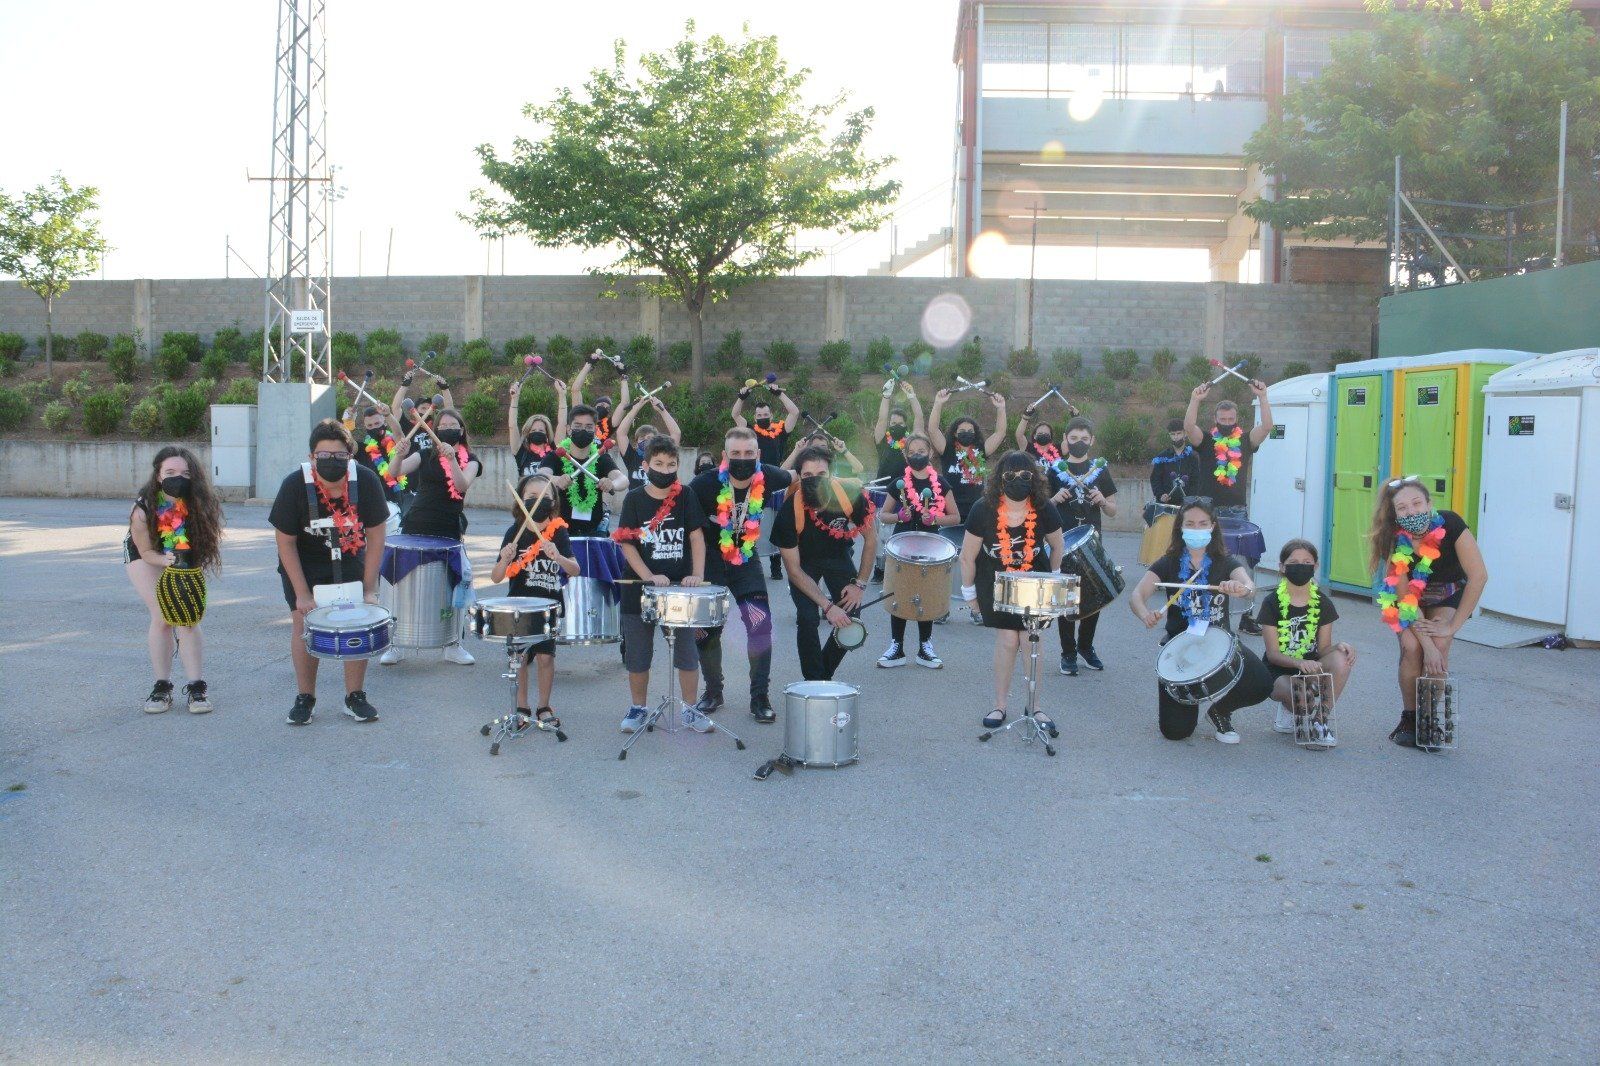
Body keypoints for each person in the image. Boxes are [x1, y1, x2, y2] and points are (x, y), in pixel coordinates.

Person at [269, 420, 391, 725]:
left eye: (339, 456)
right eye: (323, 456)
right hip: (304, 563)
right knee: (304, 625)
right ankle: (305, 697)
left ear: (350, 456)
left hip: (350, 558)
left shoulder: (366, 480)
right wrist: (301, 593)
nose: (331, 461)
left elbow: (377, 536)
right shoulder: (294, 485)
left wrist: (370, 588)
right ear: (312, 457)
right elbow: (285, 542)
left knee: (356, 623)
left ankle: (354, 696)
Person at [1126, 497, 1274, 743]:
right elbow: (1137, 596)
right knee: (1175, 732)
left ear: (1213, 526)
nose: (1197, 529)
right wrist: (1145, 614)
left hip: (1220, 643)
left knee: (1262, 684)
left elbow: (1250, 587)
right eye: (1191, 524)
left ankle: (1220, 711)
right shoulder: (1168, 563)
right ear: (1181, 527)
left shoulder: (1225, 562)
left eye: (1203, 523)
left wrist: (1241, 588)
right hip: (1181, 648)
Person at [1367, 477, 1488, 748]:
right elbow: (1407, 600)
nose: (1411, 512)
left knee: (1441, 642)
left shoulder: (1451, 524)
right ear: (1395, 515)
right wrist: (1427, 648)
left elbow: (1478, 576)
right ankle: (1410, 718)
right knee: (1412, 647)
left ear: (1429, 504)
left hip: (1446, 592)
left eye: (1416, 503)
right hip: (1411, 599)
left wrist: (1452, 627)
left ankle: (1430, 719)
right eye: (1402, 508)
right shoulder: (1394, 540)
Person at [688, 427, 794, 723]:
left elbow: (796, 477)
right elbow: (688, 525)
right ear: (725, 456)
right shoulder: (702, 485)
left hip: (746, 560)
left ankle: (760, 697)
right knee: (706, 631)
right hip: (711, 561)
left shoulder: (770, 475)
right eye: (736, 453)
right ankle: (713, 690)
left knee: (760, 626)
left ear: (758, 455)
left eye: (749, 453)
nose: (743, 459)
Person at [960, 451, 1068, 731]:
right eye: (1010, 475)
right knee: (1008, 640)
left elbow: (1058, 545)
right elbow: (967, 556)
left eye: (1024, 475)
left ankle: (1035, 706)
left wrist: (1055, 578)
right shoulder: (983, 509)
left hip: (1035, 580)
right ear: (1000, 479)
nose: (1017, 480)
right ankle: (1000, 705)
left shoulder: (1044, 507)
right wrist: (969, 594)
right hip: (995, 580)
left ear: (1034, 479)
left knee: (1032, 641)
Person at [612, 437, 708, 733]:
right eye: (658, 464)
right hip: (639, 591)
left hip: (679, 591)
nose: (665, 470)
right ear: (645, 466)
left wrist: (697, 575)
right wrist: (648, 576)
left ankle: (690, 709)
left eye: (671, 464)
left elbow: (696, 537)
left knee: (687, 653)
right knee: (638, 655)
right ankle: (638, 708)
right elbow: (627, 544)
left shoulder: (686, 495)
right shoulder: (634, 499)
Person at [124, 446, 224, 715]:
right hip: (145, 554)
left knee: (187, 616)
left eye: (185, 473)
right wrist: (165, 560)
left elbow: (203, 545)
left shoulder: (200, 503)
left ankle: (196, 687)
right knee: (163, 615)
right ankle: (162, 687)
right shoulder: (142, 510)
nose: (177, 478)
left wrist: (184, 568)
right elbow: (146, 551)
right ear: (158, 475)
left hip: (182, 553)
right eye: (170, 472)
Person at [770, 445, 877, 682]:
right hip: (804, 564)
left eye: (821, 474)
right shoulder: (789, 510)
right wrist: (828, 607)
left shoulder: (849, 495)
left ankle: (822, 678)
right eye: (807, 475)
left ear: (831, 473)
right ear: (799, 477)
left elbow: (871, 540)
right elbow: (793, 570)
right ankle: (812, 681)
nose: (815, 479)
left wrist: (860, 585)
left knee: (851, 617)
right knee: (807, 618)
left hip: (838, 556)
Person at [385, 407, 481, 665]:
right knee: (402, 585)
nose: (447, 429)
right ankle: (395, 644)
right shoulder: (424, 454)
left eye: (452, 426)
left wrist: (452, 461)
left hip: (448, 528)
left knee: (453, 585)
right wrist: (399, 453)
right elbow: (394, 472)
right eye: (442, 426)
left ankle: (453, 644)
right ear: (435, 430)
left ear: (461, 430)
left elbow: (461, 485)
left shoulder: (471, 460)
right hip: (415, 524)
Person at [489, 473, 582, 730]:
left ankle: (543, 706)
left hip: (548, 607)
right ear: (520, 499)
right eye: (531, 496)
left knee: (545, 658)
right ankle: (521, 707)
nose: (538, 501)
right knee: (519, 658)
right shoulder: (514, 532)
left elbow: (575, 570)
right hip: (518, 608)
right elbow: (496, 577)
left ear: (553, 502)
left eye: (544, 496)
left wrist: (558, 557)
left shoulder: (558, 532)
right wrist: (505, 559)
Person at [1184, 380, 1273, 632]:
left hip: (1236, 511)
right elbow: (1188, 427)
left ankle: (1246, 616)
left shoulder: (1244, 440)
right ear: (1215, 419)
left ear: (1236, 419)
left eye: (1230, 419)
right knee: (1202, 560)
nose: (1226, 422)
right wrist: (1195, 399)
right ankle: (1200, 612)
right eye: (1222, 419)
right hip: (1208, 510)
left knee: (1242, 563)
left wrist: (1263, 397)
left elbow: (1267, 427)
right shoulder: (1206, 442)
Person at [1257, 539, 1356, 745]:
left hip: (1311, 669)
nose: (1300, 567)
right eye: (1293, 562)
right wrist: (1298, 662)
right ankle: (1289, 706)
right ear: (1282, 567)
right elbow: (1273, 654)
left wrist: (1338, 647)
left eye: (1306, 562)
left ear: (1315, 566)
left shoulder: (1323, 603)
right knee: (1302, 698)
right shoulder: (1272, 602)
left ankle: (1320, 721)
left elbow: (1323, 649)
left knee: (1341, 658)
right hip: (1279, 672)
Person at [876, 433, 961, 669]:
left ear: (930, 453)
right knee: (899, 594)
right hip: (901, 546)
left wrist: (934, 518)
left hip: (930, 547)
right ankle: (896, 647)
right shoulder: (899, 483)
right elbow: (883, 515)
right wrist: (898, 516)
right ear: (906, 456)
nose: (917, 456)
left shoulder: (941, 484)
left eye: (921, 452)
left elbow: (955, 517)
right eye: (912, 452)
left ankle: (925, 646)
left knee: (927, 594)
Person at [1047, 417, 1118, 675]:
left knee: (1094, 593)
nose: (1079, 443)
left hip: (1092, 540)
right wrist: (1054, 499)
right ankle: (1068, 652)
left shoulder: (1101, 469)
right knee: (1066, 598)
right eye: (1074, 438)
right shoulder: (1054, 471)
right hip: (1062, 543)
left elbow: (1112, 511)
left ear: (1092, 441)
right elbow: (1041, 508)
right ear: (1065, 440)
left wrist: (1103, 501)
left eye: (1084, 439)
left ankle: (1086, 647)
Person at [930, 389, 1007, 622]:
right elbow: (932, 430)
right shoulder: (947, 450)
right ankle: (941, 608)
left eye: (970, 430)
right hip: (950, 512)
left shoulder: (981, 451)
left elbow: (1000, 433)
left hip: (977, 514)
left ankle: (977, 609)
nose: (966, 433)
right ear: (954, 433)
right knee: (945, 563)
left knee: (978, 563)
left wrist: (1001, 408)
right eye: (962, 430)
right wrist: (938, 403)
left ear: (975, 434)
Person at [732, 383, 800, 581]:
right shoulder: (750, 431)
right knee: (752, 521)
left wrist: (779, 394)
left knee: (777, 522)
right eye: (759, 415)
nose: (762, 417)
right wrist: (742, 397)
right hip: (755, 482)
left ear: (771, 415)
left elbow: (794, 412)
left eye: (765, 414)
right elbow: (735, 415)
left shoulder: (780, 430)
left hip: (778, 479)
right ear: (755, 418)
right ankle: (748, 561)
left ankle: (776, 565)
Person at [539, 404, 628, 537]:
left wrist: (612, 484)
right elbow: (540, 477)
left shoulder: (601, 457)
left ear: (595, 430)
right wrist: (556, 480)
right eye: (578, 426)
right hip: (558, 534)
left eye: (588, 427)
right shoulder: (555, 456)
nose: (583, 430)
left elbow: (623, 480)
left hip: (593, 534)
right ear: (568, 429)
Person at [614, 392, 683, 491]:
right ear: (636, 442)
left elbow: (676, 433)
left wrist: (662, 411)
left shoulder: (665, 455)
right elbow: (621, 433)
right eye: (642, 438)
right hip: (636, 500)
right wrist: (635, 409)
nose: (646, 441)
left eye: (650, 438)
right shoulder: (632, 457)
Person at [569, 350, 631, 447]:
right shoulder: (581, 416)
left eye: (607, 407)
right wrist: (589, 363)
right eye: (602, 404)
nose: (604, 407)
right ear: (594, 406)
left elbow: (624, 404)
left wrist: (623, 377)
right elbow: (575, 390)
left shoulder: (609, 425)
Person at [507, 376, 566, 478]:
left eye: (541, 430)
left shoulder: (554, 450)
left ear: (547, 433)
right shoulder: (521, 452)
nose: (537, 432)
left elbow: (562, 424)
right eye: (533, 430)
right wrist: (514, 398)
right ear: (528, 433)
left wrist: (562, 395)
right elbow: (512, 426)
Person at [352, 404, 411, 504]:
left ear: (384, 421)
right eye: (369, 425)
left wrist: (388, 415)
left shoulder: (395, 444)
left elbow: (399, 434)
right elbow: (347, 442)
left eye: (377, 423)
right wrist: (347, 422)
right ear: (365, 426)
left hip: (400, 499)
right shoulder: (363, 448)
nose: (374, 427)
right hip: (374, 501)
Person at [1146, 418, 1199, 526]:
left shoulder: (1193, 457)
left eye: (1179, 433)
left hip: (1187, 508)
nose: (1176, 437)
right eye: (1173, 434)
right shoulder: (1162, 457)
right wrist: (1160, 494)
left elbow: (1197, 480)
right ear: (1169, 435)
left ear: (1185, 434)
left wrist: (1190, 498)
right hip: (1166, 507)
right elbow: (1155, 479)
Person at [872, 380, 926, 480]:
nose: (897, 426)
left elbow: (919, 417)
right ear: (889, 424)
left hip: (907, 486)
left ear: (905, 425)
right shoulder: (881, 439)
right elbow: (882, 419)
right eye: (893, 423)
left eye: (900, 424)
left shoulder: (911, 441)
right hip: (884, 487)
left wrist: (912, 396)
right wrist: (886, 395)